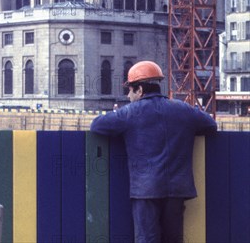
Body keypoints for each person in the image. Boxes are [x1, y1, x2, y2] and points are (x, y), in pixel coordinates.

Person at [90, 60, 217, 243]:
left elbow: (97, 126)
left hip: (146, 190)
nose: (128, 95)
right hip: (177, 189)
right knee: (173, 239)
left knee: (146, 239)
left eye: (130, 90)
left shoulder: (130, 113)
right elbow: (211, 126)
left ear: (140, 90)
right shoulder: (183, 109)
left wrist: (117, 112)